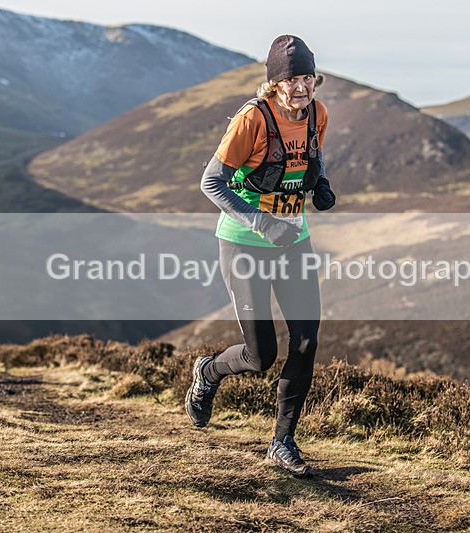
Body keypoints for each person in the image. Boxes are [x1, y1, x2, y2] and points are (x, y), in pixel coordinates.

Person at [186, 35, 336, 477]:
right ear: (274, 84)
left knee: (306, 342)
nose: (302, 88)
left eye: (307, 78)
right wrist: (261, 222)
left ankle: (283, 442)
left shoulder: (318, 114)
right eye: (292, 80)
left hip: (294, 242)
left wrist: (321, 183)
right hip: (244, 243)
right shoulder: (252, 119)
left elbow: (313, 155)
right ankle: (209, 371)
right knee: (261, 355)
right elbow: (211, 182)